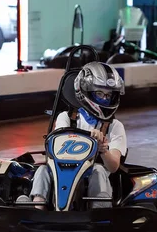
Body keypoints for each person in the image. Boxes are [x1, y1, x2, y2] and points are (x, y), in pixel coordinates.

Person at [17, 61, 127, 209]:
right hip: (63, 170)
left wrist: (103, 149)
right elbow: (59, 141)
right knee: (43, 169)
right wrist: (88, 136)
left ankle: (99, 209)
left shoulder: (114, 126)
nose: (105, 99)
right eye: (99, 93)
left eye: (108, 95)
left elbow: (113, 167)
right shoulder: (66, 118)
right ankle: (37, 207)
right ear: (85, 92)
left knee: (99, 170)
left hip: (91, 179)